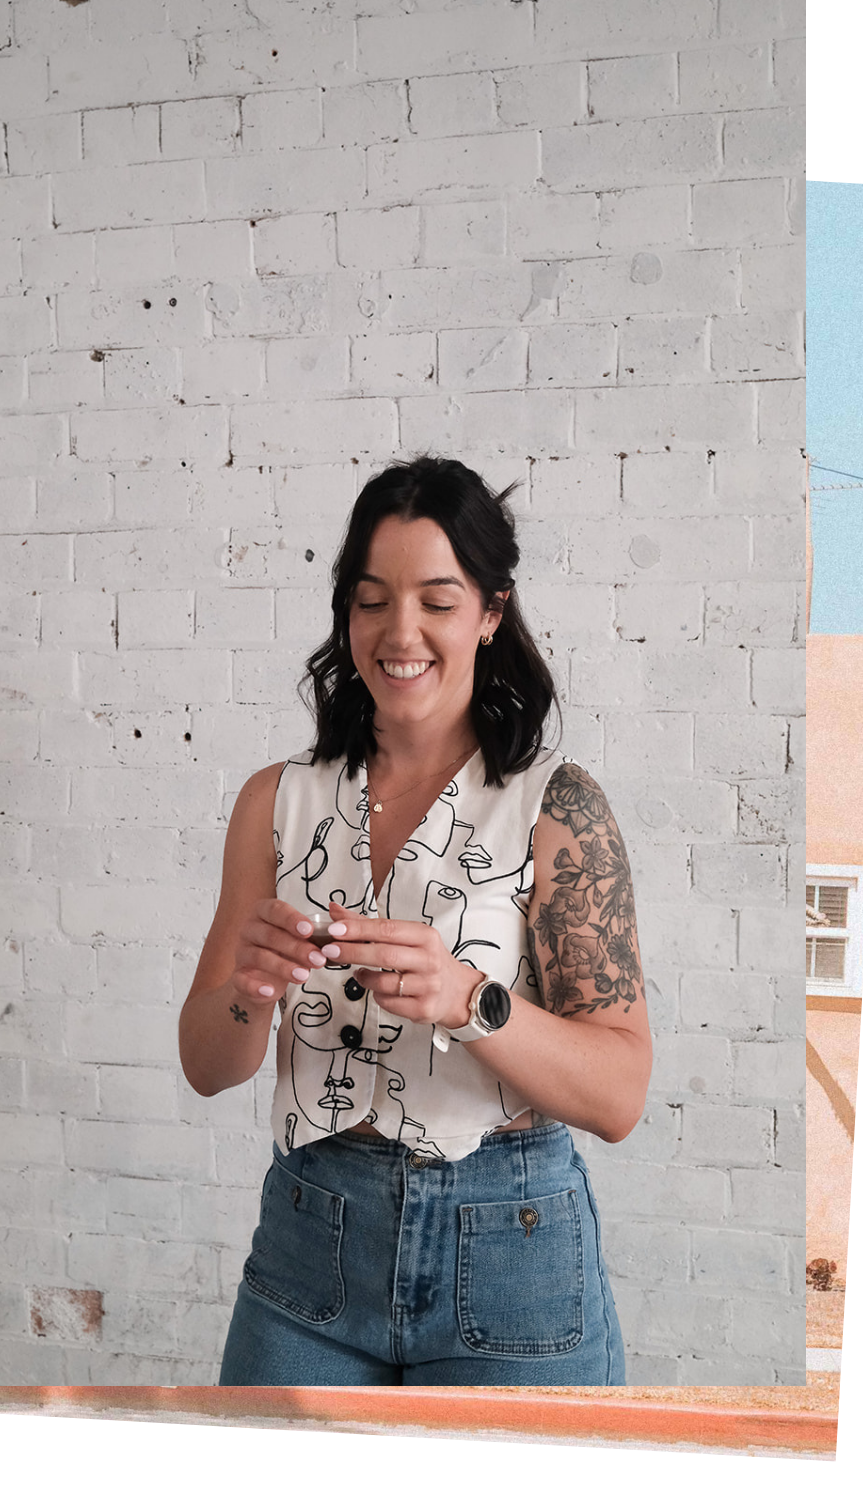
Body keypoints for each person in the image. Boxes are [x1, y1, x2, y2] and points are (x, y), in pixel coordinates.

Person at [178, 455, 652, 1386]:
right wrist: (250, 987)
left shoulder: (556, 809)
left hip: (509, 1253)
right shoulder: (276, 803)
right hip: (310, 1246)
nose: (401, 632)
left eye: (437, 600)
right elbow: (208, 1066)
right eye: (371, 599)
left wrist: (470, 997)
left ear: (489, 612)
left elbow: (619, 1095)